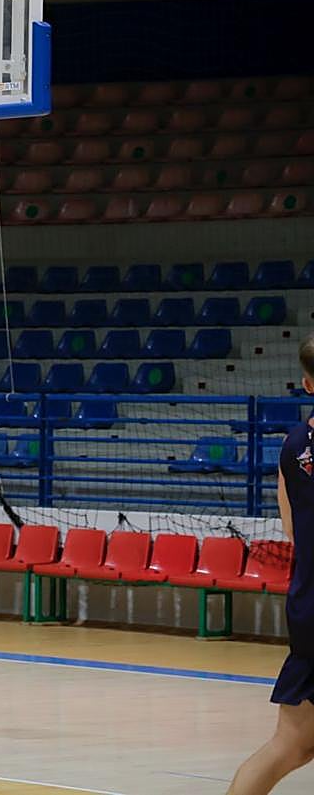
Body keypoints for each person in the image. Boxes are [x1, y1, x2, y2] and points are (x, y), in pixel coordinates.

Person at [226, 336, 314, 794]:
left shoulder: (292, 446)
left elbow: (294, 531)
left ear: (307, 384)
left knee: (290, 746)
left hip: (308, 605)